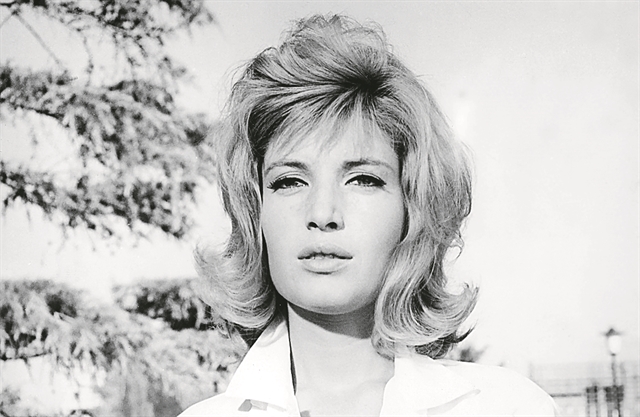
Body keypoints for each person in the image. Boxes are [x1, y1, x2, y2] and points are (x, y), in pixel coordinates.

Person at [180, 14, 557, 417]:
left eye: (363, 179)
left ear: (411, 209)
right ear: (255, 214)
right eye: (289, 181)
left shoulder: (510, 407)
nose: (322, 214)